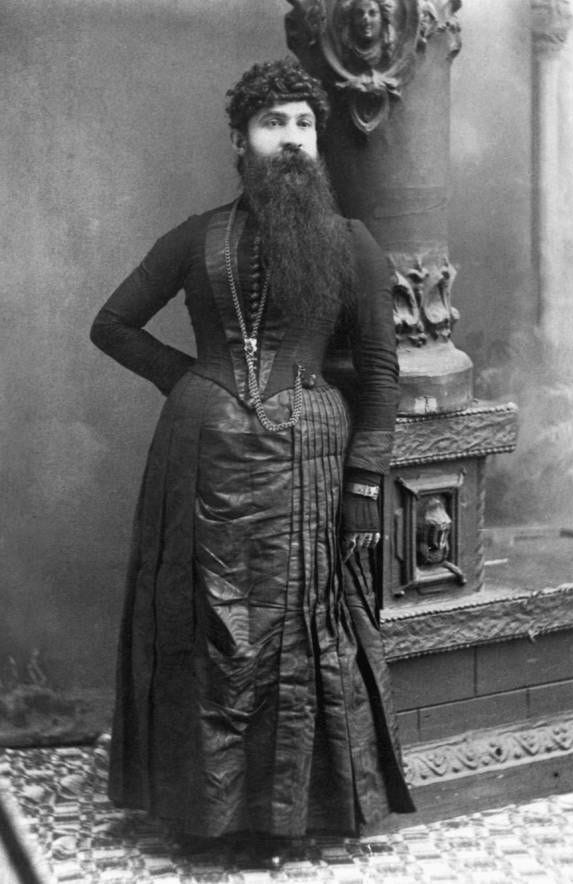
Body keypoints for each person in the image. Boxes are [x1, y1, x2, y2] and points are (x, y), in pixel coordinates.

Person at [90, 58, 414, 858]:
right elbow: (112, 324)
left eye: (304, 124)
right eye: (274, 124)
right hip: (200, 459)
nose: (293, 139)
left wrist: (364, 486)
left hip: (310, 462)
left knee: (299, 629)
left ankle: (290, 813)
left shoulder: (352, 243)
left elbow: (380, 373)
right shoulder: (196, 237)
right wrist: (188, 380)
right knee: (203, 624)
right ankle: (204, 815)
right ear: (241, 141)